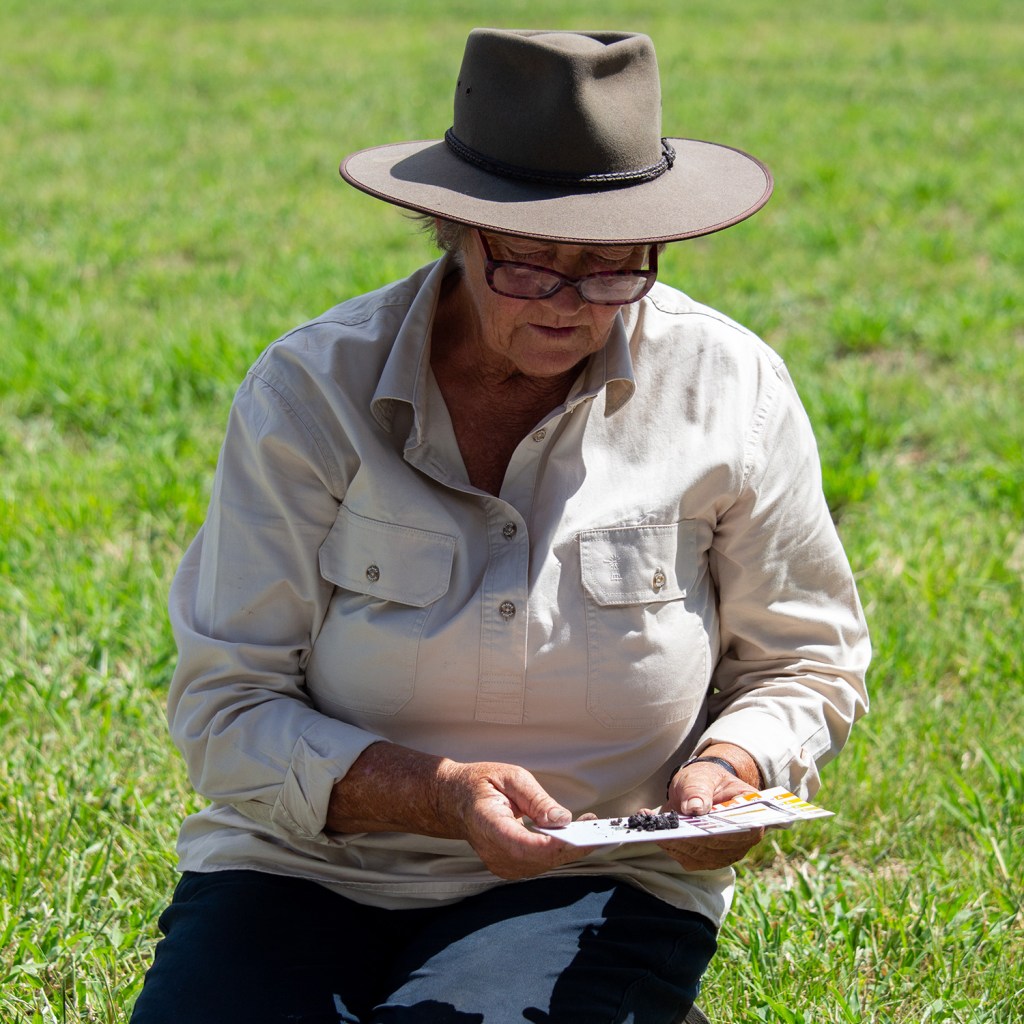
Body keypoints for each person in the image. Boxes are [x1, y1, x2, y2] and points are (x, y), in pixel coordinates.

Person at [131, 27, 869, 1024]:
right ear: (452, 233)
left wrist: (734, 770)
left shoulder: (729, 388)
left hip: (600, 878)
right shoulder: (311, 390)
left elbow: (805, 659)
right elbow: (225, 709)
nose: (571, 302)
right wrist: (437, 794)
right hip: (305, 864)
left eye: (612, 268)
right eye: (531, 265)